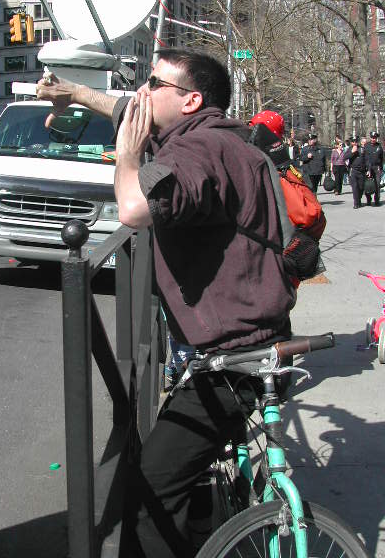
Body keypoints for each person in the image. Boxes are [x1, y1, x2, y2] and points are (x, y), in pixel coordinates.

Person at [36, 48, 296, 557]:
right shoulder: (220, 137)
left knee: (151, 491)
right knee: (180, 472)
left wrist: (128, 155)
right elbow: (129, 111)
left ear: (191, 99)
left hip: (234, 361)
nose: (142, 92)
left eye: (153, 83)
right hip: (252, 341)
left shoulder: (198, 153)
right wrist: (77, 95)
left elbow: (133, 208)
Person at [343, 136, 366, 209]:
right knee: (355, 187)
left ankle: (358, 199)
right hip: (353, 170)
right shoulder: (349, 149)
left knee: (361, 187)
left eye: (356, 141)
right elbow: (344, 157)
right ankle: (356, 203)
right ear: (351, 142)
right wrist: (352, 152)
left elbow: (367, 159)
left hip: (361, 171)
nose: (355, 143)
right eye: (353, 141)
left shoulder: (362, 149)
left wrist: (368, 169)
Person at [364, 131, 383, 206]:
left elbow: (382, 158)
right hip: (368, 168)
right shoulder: (366, 146)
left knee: (377, 184)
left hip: (376, 167)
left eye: (374, 138)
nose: (373, 139)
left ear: (376, 138)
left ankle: (377, 200)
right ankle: (368, 199)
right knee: (367, 185)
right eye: (372, 137)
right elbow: (364, 157)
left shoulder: (379, 146)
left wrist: (380, 167)